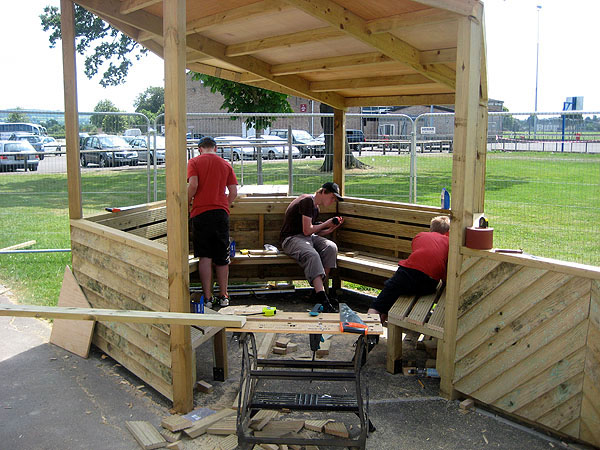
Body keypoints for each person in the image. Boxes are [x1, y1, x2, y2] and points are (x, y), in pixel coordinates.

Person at [368, 216, 450, 324]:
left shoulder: (421, 235)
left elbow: (418, 252)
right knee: (394, 296)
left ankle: (370, 333)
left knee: (379, 304)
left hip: (407, 274)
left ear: (431, 229)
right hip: (428, 284)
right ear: (448, 232)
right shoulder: (449, 242)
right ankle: (376, 328)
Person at [188, 136, 238, 308]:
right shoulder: (225, 164)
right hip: (220, 214)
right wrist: (224, 203)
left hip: (201, 213)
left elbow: (193, 185)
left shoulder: (194, 162)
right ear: (215, 148)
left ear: (200, 148)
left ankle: (208, 298)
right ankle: (224, 296)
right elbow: (233, 191)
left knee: (205, 256)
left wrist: (187, 201)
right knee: (222, 257)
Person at [280, 182, 344, 313]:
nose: (333, 201)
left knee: (331, 247)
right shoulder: (307, 201)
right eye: (332, 197)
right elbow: (307, 230)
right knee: (312, 255)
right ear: (323, 192)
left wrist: (329, 229)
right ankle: (323, 300)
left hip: (306, 238)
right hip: (291, 239)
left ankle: (318, 293)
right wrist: (326, 223)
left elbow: (312, 232)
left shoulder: (316, 207)